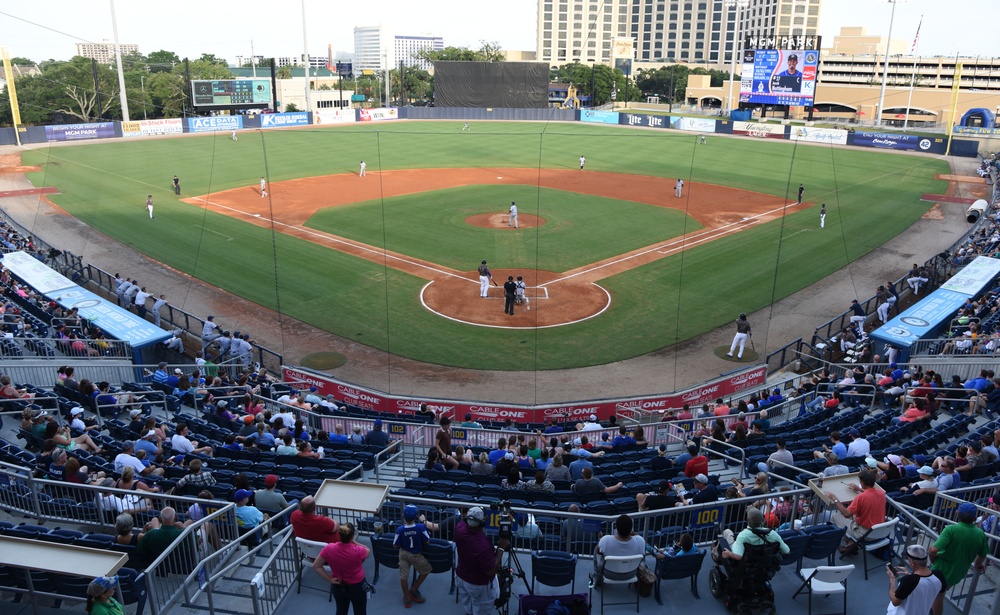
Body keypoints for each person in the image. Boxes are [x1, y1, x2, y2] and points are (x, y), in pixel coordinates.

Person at [929, 502, 988, 615]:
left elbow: (932, 550)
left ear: (957, 514)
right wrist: (977, 564)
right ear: (974, 518)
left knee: (938, 596)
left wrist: (933, 558)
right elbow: (983, 553)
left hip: (941, 570)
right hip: (959, 573)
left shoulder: (951, 530)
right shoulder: (980, 533)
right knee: (938, 594)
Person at [455, 507, 507, 615]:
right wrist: (501, 548)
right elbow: (491, 570)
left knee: (468, 606)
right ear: (483, 521)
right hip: (478, 585)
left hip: (461, 577)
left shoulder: (459, 527)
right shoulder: (483, 546)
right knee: (481, 610)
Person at [312, 523, 370, 615]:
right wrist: (353, 541)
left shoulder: (329, 548)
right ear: (352, 536)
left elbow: (316, 566)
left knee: (341, 611)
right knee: (360, 611)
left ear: (339, 535)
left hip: (338, 586)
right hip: (357, 587)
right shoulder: (359, 551)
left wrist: (329, 579)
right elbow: (367, 550)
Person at [826, 468, 886, 555]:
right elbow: (870, 493)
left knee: (835, 516)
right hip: (879, 532)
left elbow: (846, 514)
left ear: (862, 482)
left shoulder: (861, 498)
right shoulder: (881, 493)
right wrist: (859, 489)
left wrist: (835, 499)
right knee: (852, 516)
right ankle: (851, 544)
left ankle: (849, 544)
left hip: (865, 534)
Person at [720, 505, 790, 570]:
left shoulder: (743, 535)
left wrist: (729, 554)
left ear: (747, 520)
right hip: (764, 565)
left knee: (727, 532)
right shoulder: (773, 534)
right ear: (763, 520)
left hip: (746, 564)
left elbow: (738, 556)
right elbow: (787, 551)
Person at [887, 544, 945, 615]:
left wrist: (892, 579)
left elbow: (895, 602)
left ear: (912, 562)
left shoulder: (909, 581)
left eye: (908, 559)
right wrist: (910, 575)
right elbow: (939, 599)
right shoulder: (939, 575)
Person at [394, 505, 432, 607]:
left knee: (403, 577)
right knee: (426, 570)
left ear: (403, 516)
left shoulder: (400, 529)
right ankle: (413, 590)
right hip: (415, 555)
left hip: (403, 554)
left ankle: (407, 598)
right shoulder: (420, 527)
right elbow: (427, 541)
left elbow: (395, 545)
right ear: (416, 516)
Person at [593, 514, 645, 581]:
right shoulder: (640, 541)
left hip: (608, 574)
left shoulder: (605, 540)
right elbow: (639, 538)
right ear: (631, 529)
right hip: (631, 573)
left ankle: (597, 577)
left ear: (616, 528)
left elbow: (598, 551)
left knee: (596, 549)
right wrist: (631, 532)